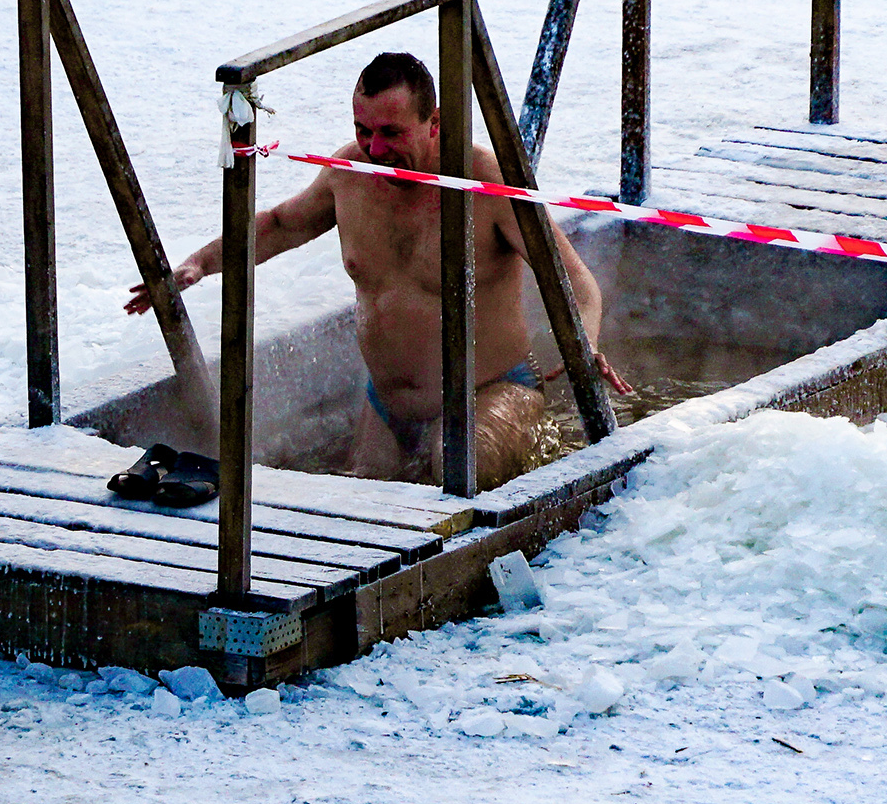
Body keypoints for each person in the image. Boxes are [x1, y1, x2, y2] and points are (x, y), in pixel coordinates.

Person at [125, 52, 626, 489]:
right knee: (353, 499)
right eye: (362, 130)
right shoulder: (350, 174)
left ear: (434, 122)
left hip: (493, 392)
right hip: (388, 406)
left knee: (459, 468)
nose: (375, 149)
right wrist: (196, 265)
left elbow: (578, 282)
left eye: (391, 133)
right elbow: (279, 225)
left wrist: (585, 342)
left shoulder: (486, 181)